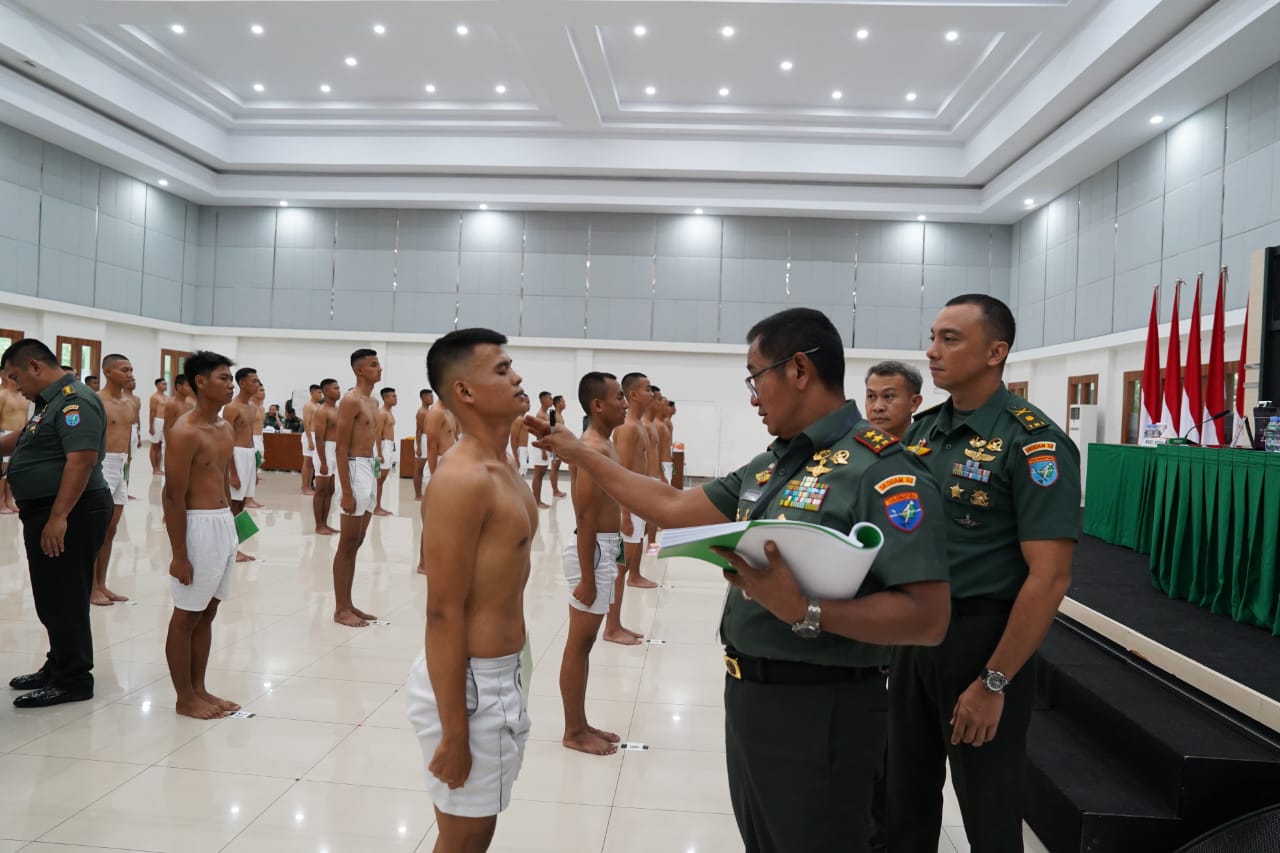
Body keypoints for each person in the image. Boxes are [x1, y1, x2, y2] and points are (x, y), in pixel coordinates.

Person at [529, 307, 951, 852]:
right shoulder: (776, 463)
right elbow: (672, 505)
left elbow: (928, 618)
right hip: (753, 697)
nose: (753, 398)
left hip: (824, 708)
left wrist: (806, 610)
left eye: (756, 377)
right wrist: (576, 453)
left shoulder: (881, 470)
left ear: (798, 369)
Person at [888, 295, 1080, 853]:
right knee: (902, 801)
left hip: (981, 641)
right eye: (933, 337)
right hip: (913, 634)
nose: (932, 350)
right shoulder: (923, 431)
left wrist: (994, 681)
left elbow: (1050, 578)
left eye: (950, 339)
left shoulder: (1034, 443)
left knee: (989, 811)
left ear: (996, 352)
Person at [406, 328, 535, 852]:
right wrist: (454, 731)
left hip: (499, 675)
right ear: (464, 391)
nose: (518, 377)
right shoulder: (462, 479)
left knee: (472, 834)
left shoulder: (503, 465)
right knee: (465, 838)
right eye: (502, 370)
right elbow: (442, 612)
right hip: (471, 687)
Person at [0, 339, 113, 708]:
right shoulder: (49, 402)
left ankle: (73, 679)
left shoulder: (74, 401)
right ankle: (58, 664)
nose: (16, 386)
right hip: (49, 510)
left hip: (70, 511)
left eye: (16, 377)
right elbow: (26, 440)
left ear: (35, 366)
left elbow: (81, 461)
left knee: (64, 597)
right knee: (52, 595)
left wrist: (58, 517)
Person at [162, 350, 241, 720]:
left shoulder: (224, 427)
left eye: (231, 379)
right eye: (223, 378)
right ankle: (184, 697)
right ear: (200, 382)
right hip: (197, 525)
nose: (231, 385)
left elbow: (221, 478)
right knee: (186, 615)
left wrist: (234, 525)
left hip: (222, 522)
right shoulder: (185, 432)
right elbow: (172, 496)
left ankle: (200, 688)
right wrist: (179, 553)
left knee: (208, 611)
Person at [559, 372, 628, 755]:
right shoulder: (592, 448)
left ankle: (581, 723)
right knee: (579, 644)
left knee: (584, 646)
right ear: (597, 405)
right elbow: (584, 517)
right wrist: (587, 577)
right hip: (593, 550)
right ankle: (573, 731)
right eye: (619, 397)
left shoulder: (604, 444)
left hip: (604, 547)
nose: (625, 404)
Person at [332, 348, 383, 628]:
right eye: (374, 365)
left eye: (379, 364)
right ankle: (340, 609)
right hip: (353, 468)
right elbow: (340, 448)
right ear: (359, 370)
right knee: (347, 542)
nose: (379, 368)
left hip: (368, 467)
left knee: (358, 540)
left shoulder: (373, 402)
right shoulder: (350, 400)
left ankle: (349, 603)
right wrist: (347, 491)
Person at [92, 354, 140, 606]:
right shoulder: (97, 401)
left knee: (111, 529)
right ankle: (90, 587)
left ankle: (102, 583)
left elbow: (129, 438)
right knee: (96, 529)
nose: (130, 374)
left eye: (131, 369)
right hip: (103, 463)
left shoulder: (130, 403)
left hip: (121, 464)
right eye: (124, 369)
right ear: (108, 372)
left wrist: (127, 471)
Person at [615, 372, 658, 609]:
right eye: (647, 389)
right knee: (620, 565)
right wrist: (624, 514)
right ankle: (612, 622)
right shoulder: (627, 428)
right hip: (629, 502)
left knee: (634, 548)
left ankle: (635, 575)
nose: (651, 394)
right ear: (633, 394)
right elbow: (620, 473)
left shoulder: (639, 425)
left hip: (638, 499)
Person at [417, 388, 459, 575]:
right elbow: (431, 446)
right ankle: (423, 562)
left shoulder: (449, 412)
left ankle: (440, 558)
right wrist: (435, 475)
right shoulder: (436, 413)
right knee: (432, 518)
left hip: (449, 465)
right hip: (438, 465)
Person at [221, 368, 261, 562]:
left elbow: (250, 437)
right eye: (254, 381)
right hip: (235, 455)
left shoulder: (252, 407)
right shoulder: (231, 407)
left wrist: (255, 469)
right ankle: (227, 548)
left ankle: (234, 547)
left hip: (249, 456)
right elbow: (226, 439)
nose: (258, 384)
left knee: (242, 504)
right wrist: (233, 473)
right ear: (242, 383)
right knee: (232, 504)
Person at [865, 360, 925, 439]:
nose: (877, 407)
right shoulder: (851, 445)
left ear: (914, 402)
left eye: (888, 396)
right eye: (871, 396)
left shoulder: (929, 444)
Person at [311, 378, 340, 535]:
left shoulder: (338, 410)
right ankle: (318, 525)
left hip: (336, 451)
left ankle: (325, 523)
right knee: (321, 489)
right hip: (325, 450)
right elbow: (318, 438)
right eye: (335, 388)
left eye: (339, 388)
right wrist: (323, 461)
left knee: (330, 490)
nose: (338, 391)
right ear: (326, 391)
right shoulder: (322, 411)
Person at [0, 371, 30, 513]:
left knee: (13, 471)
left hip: (19, 435)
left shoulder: (25, 397)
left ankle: (9, 500)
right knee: (3, 472)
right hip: (4, 434)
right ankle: (0, 502)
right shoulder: (3, 395)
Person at [527, 391, 554, 507]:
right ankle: (536, 501)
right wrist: (543, 450)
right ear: (543, 400)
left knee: (541, 474)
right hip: (541, 447)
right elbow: (539, 434)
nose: (551, 401)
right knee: (538, 474)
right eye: (549, 399)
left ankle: (538, 500)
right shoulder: (540, 415)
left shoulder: (546, 414)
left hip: (545, 447)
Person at [374, 387, 397, 516]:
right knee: (378, 478)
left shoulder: (389, 412)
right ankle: (375, 507)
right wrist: (379, 453)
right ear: (386, 398)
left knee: (381, 479)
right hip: (382, 447)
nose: (396, 398)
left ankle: (377, 505)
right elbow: (377, 433)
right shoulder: (382, 413)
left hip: (388, 447)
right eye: (393, 396)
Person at [246, 385, 267, 509]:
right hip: (251, 438)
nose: (263, 393)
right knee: (249, 472)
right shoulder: (249, 406)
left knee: (254, 472)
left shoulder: (262, 407)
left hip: (259, 438)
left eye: (264, 390)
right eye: (260, 390)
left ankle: (250, 498)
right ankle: (247, 499)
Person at [300, 384, 322, 495]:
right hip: (310, 435)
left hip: (317, 435)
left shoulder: (318, 405)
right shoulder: (308, 406)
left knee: (314, 463)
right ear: (312, 393)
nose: (321, 395)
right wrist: (310, 441)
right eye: (319, 392)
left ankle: (309, 486)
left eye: (321, 393)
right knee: (307, 462)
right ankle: (305, 487)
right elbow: (306, 424)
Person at [413, 388, 434, 500]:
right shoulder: (422, 412)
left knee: (429, 468)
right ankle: (418, 494)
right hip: (423, 440)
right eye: (430, 397)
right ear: (424, 398)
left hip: (429, 439)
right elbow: (419, 430)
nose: (432, 398)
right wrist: (419, 447)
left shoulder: (429, 411)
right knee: (419, 469)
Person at [547, 394, 568, 498]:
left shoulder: (560, 416)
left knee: (556, 467)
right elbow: (551, 430)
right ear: (558, 403)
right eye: (563, 402)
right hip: (555, 445)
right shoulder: (553, 414)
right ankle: (555, 491)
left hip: (559, 445)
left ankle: (556, 490)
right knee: (554, 467)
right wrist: (553, 446)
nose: (565, 404)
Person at [163, 374, 196, 438]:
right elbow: (166, 427)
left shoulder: (190, 402)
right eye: (188, 386)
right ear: (179, 386)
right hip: (176, 439)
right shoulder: (172, 404)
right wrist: (169, 443)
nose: (191, 388)